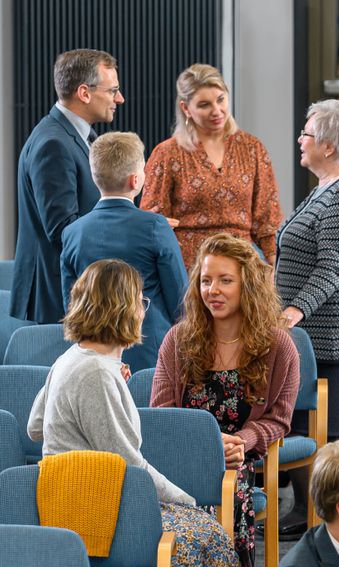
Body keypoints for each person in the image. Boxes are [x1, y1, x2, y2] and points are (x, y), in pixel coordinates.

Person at [30, 259, 237, 567]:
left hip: (78, 500)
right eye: (140, 300)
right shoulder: (96, 374)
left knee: (196, 538)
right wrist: (189, 499)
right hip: (97, 508)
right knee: (202, 534)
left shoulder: (76, 359)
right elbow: (131, 467)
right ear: (123, 308)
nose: (145, 308)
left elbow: (37, 427)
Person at [152, 233, 300, 567]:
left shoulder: (277, 346)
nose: (212, 290)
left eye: (224, 280)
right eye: (205, 280)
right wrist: (202, 444)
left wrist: (244, 441)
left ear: (246, 285)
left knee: (229, 489)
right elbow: (161, 413)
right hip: (180, 459)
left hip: (238, 458)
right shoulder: (179, 340)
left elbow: (279, 419)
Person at [275, 99, 339, 537]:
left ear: (329, 145)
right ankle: (306, 507)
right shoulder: (325, 187)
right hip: (311, 332)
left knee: (326, 428)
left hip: (327, 334)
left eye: (307, 133)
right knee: (302, 420)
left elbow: (331, 266)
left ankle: (327, 516)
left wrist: (292, 313)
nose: (300, 138)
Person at [60, 131, 188, 373]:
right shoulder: (156, 226)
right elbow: (180, 299)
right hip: (151, 350)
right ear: (135, 181)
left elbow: (70, 303)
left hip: (92, 354)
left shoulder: (72, 233)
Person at [10, 49, 121, 323]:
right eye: (113, 90)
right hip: (53, 301)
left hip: (69, 292)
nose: (119, 98)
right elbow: (63, 231)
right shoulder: (53, 144)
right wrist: (127, 232)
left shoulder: (73, 136)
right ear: (84, 93)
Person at [141, 64, 283, 268]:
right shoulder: (167, 153)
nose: (217, 111)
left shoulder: (252, 148)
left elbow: (268, 217)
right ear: (185, 108)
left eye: (220, 99)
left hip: (244, 267)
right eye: (204, 105)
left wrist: (272, 267)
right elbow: (153, 222)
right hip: (190, 270)